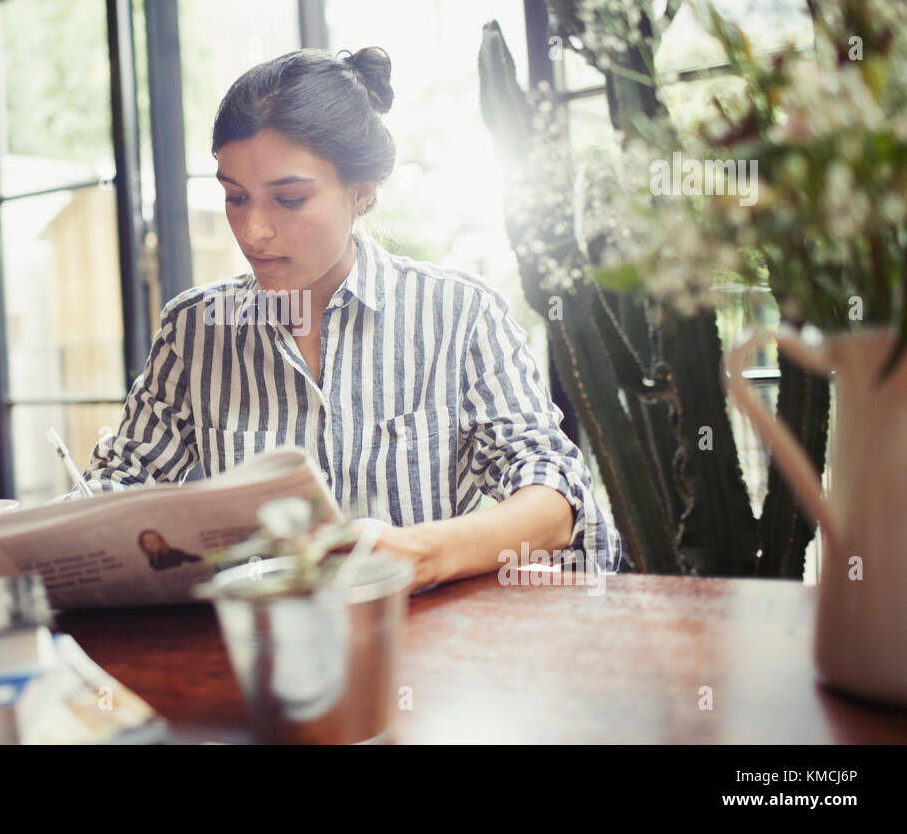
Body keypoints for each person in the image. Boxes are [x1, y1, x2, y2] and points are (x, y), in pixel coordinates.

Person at [63, 46, 622, 592]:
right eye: (235, 198)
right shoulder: (194, 330)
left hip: (425, 651)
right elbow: (117, 491)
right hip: (260, 651)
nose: (253, 231)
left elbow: (554, 501)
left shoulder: (460, 315)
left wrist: (421, 554)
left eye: (288, 200)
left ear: (361, 190)